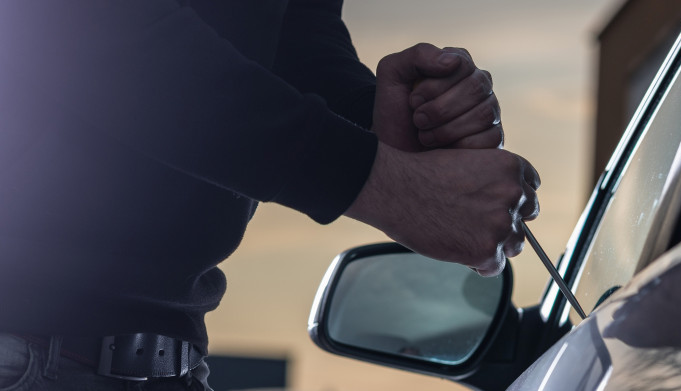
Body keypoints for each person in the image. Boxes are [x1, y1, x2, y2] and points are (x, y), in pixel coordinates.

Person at [0, 1, 538, 390]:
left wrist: (380, 120)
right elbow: (86, 26)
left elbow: (289, 30)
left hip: (169, 359)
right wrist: (385, 183)